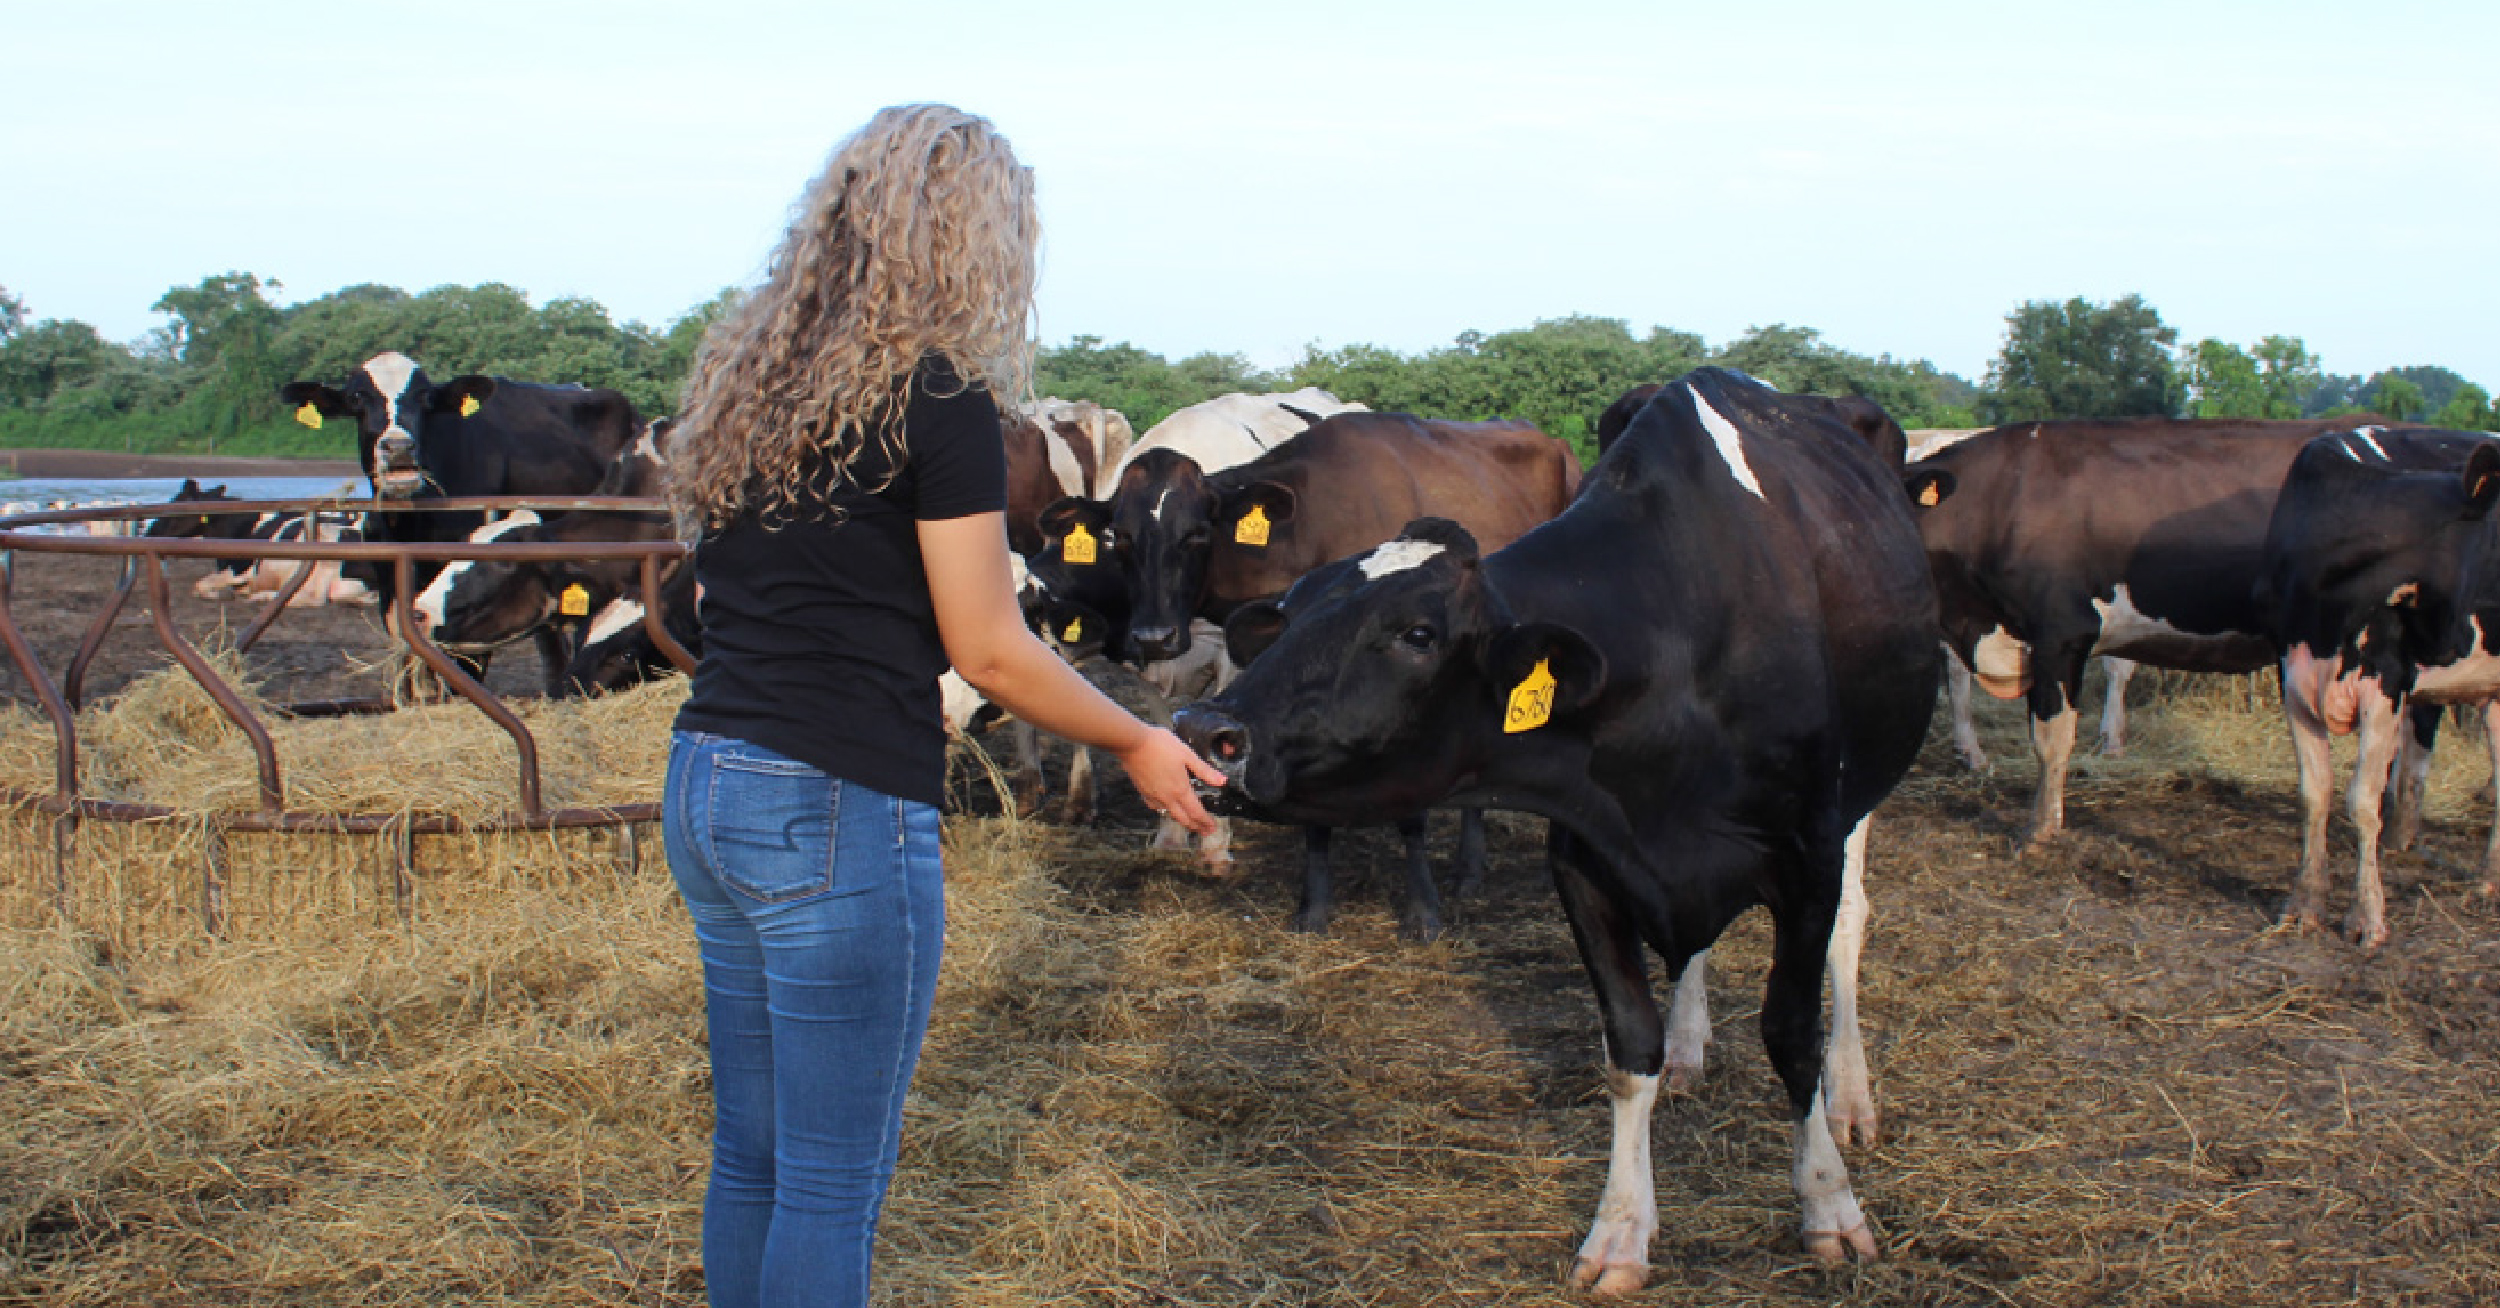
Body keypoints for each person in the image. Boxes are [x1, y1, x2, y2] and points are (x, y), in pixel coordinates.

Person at [660, 104, 1224, 1308]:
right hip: (833, 801)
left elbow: (720, 588)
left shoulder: (750, 383)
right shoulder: (936, 393)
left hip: (707, 777)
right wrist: (1137, 735)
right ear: (977, 241)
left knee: (754, 1157)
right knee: (829, 1181)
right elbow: (990, 648)